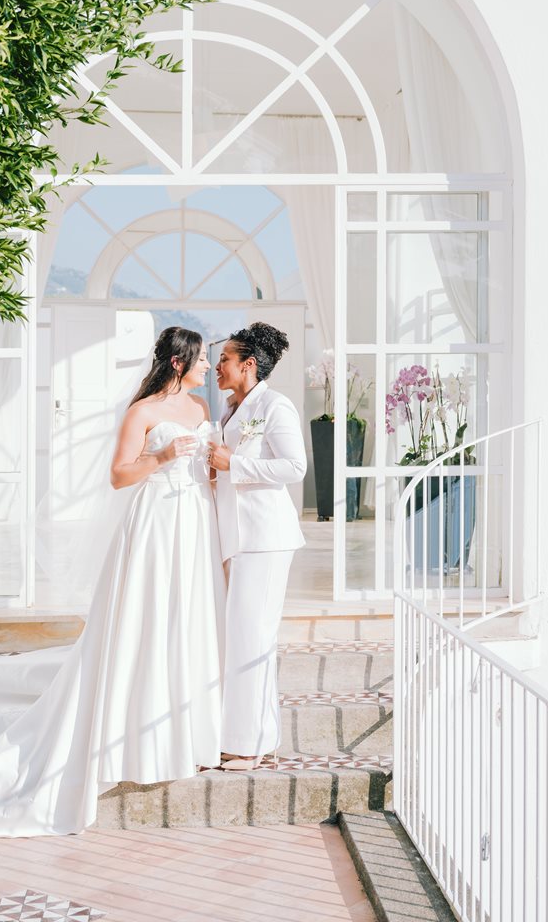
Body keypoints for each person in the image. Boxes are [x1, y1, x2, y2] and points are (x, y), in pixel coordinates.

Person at [0, 327, 225, 836]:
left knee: (185, 622)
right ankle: (132, 736)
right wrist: (160, 459)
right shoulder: (142, 412)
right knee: (147, 621)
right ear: (179, 363)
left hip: (194, 522)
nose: (209, 364)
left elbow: (209, 465)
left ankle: (184, 733)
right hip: (156, 523)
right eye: (203, 358)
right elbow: (117, 475)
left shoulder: (203, 409)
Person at [207, 321, 307, 771]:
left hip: (264, 539)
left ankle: (249, 744)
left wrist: (235, 464)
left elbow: (294, 467)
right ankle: (248, 735)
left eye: (224, 359)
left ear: (248, 364)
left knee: (253, 637)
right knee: (241, 636)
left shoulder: (275, 405)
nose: (216, 366)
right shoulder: (232, 408)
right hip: (235, 536)